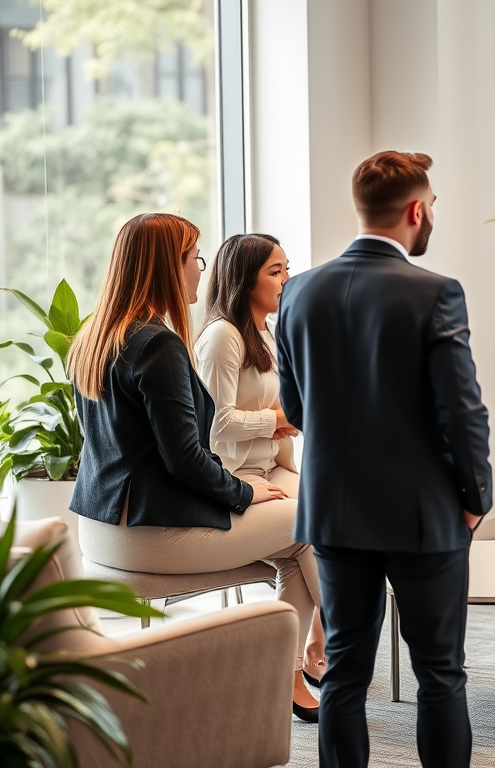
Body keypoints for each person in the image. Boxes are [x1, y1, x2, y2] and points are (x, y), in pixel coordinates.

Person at [276, 150, 492, 768]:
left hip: (335, 513)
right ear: (416, 210)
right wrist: (476, 497)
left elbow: (298, 405)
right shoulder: (435, 292)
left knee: (343, 670)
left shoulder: (298, 291)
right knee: (440, 672)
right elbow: (462, 411)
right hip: (423, 512)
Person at [68, 212, 323, 722]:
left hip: (100, 529)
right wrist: (245, 493)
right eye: (193, 258)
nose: (200, 270)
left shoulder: (97, 334)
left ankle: (297, 671)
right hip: (151, 531)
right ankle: (333, 653)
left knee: (294, 537)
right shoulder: (157, 343)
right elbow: (184, 457)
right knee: (308, 527)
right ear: (168, 265)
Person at [195, 232, 328, 688]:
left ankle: (315, 649)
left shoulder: (267, 332)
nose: (287, 279)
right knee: (312, 534)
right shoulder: (221, 338)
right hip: (236, 474)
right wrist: (273, 421)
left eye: (286, 267)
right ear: (243, 280)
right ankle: (326, 648)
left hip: (273, 466)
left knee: (336, 516)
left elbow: (290, 408)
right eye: (276, 271)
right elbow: (214, 426)